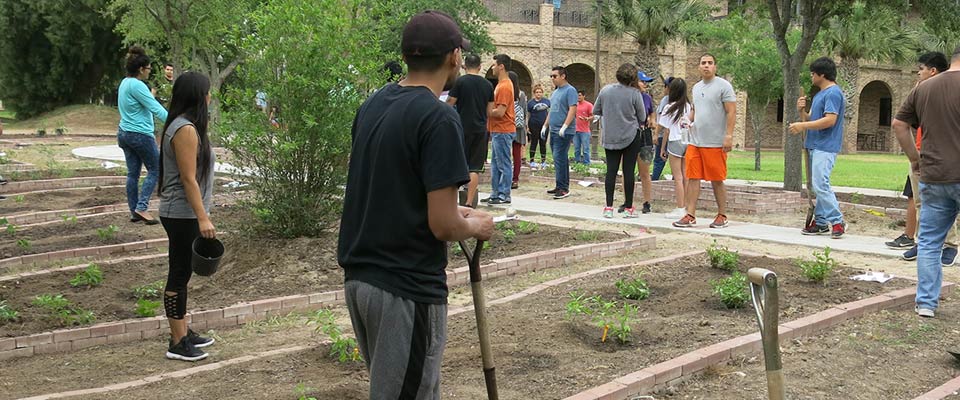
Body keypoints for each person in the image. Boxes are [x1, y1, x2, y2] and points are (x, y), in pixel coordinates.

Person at [338, 10, 494, 397]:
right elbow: (442, 225)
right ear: (454, 56)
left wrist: (453, 212)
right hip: (404, 289)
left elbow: (394, 190)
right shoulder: (438, 117)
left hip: (362, 280)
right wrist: (475, 225)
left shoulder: (374, 105)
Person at [892, 45, 960, 318]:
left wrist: (915, 158)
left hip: (934, 176)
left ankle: (926, 304)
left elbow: (899, 124)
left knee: (930, 243)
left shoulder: (924, 88)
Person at [156, 71, 217, 361]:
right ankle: (177, 342)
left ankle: (182, 331)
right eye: (207, 92)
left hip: (183, 213)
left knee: (183, 273)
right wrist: (203, 217)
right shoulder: (185, 130)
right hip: (181, 214)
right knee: (179, 274)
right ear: (197, 96)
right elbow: (188, 179)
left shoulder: (185, 126)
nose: (210, 97)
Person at [672, 54, 736, 229]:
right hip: (695, 141)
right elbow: (695, 110)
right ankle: (690, 214)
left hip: (715, 142)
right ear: (698, 67)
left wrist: (728, 136)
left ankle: (722, 214)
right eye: (703, 63)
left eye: (710, 63)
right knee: (692, 177)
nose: (706, 66)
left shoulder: (724, 86)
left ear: (715, 67)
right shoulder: (696, 87)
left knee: (717, 179)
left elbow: (731, 112)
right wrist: (687, 119)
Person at [788, 57, 847, 238]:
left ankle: (837, 221)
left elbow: (830, 120)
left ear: (822, 74)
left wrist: (802, 126)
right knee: (817, 185)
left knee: (821, 184)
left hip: (826, 146)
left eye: (813, 73)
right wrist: (801, 112)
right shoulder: (819, 95)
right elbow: (812, 118)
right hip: (814, 145)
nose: (811, 76)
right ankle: (820, 223)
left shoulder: (833, 93)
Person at [118, 46, 167, 226]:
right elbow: (155, 108)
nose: (150, 70)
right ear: (141, 69)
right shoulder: (138, 85)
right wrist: (176, 122)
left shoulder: (124, 82)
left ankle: (134, 211)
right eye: (149, 68)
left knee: (133, 173)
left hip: (124, 134)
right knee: (156, 170)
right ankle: (142, 207)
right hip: (140, 135)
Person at [594, 63, 646, 218]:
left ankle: (608, 207)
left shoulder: (605, 91)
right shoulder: (635, 94)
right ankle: (629, 208)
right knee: (628, 171)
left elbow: (596, 110)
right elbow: (642, 116)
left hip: (610, 136)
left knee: (611, 171)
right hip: (630, 135)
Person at [446, 53, 494, 207]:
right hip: (480, 130)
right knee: (474, 168)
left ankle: (453, 200)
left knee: (457, 163)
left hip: (461, 128)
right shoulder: (488, 85)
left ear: (464, 66)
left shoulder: (460, 82)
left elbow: (450, 103)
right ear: (480, 67)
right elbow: (489, 111)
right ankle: (469, 202)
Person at [482, 54, 516, 205]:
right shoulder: (501, 85)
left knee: (503, 164)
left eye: (494, 65)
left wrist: (485, 111)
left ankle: (504, 195)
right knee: (496, 164)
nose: (492, 67)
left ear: (501, 66)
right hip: (497, 130)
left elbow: (500, 112)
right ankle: (495, 193)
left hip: (503, 130)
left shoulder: (504, 86)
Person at [658, 78, 692, 219]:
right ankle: (689, 206)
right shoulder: (689, 106)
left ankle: (680, 207)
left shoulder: (669, 107)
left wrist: (662, 148)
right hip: (687, 140)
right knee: (686, 176)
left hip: (674, 141)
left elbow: (666, 130)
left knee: (677, 177)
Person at [543, 66, 578, 199]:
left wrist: (565, 126)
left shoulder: (570, 90)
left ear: (563, 76)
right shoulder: (556, 92)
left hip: (564, 131)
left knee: (560, 158)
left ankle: (564, 188)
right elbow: (552, 111)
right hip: (554, 130)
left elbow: (572, 109)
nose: (552, 78)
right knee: (558, 158)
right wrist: (545, 125)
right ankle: (559, 185)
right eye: (551, 76)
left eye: (554, 76)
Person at [508, 71, 528, 189]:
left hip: (507, 125)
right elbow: (524, 111)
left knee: (505, 154)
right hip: (519, 127)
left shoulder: (506, 92)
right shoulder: (521, 94)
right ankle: (515, 179)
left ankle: (505, 178)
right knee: (517, 155)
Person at [651, 77, 673, 181]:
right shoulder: (682, 101)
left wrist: (656, 133)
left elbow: (662, 121)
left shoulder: (666, 100)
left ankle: (654, 182)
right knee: (676, 161)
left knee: (659, 160)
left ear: (667, 88)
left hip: (664, 135)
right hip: (674, 136)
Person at [527, 84, 550, 169]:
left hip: (544, 125)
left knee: (543, 143)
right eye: (537, 92)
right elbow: (528, 114)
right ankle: (532, 161)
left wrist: (547, 124)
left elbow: (549, 112)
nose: (538, 94)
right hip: (533, 125)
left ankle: (543, 161)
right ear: (534, 93)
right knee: (534, 142)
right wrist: (527, 126)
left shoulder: (547, 102)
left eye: (540, 92)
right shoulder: (530, 103)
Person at [573, 90, 594, 165]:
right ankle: (577, 163)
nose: (578, 97)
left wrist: (587, 119)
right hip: (575, 130)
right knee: (576, 149)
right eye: (577, 95)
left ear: (584, 96)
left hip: (585, 131)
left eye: (580, 95)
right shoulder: (575, 105)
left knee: (585, 149)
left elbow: (593, 115)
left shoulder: (589, 105)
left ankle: (586, 163)